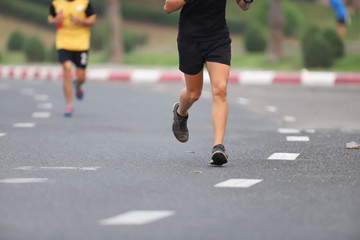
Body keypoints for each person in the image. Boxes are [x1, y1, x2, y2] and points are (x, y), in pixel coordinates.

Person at [164, 0, 253, 166]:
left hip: (217, 38)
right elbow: (168, 7)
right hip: (190, 40)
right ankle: (180, 112)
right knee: (193, 94)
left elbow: (243, 5)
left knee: (220, 88)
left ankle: (218, 147)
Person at [48, 0, 96, 116]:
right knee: (67, 69)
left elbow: (92, 21)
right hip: (63, 42)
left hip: (81, 44)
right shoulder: (56, 3)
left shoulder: (85, 2)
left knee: (81, 76)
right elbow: (50, 19)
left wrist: (80, 20)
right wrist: (56, 20)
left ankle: (78, 85)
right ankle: (69, 105)